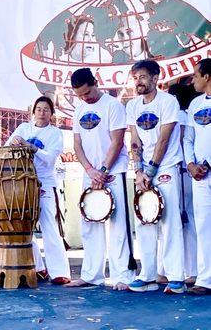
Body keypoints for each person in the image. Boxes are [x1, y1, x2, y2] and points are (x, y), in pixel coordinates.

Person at [65, 68, 135, 291]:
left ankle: (122, 275)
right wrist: (89, 170)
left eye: (87, 92)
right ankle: (91, 274)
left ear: (95, 83)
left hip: (112, 172)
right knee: (89, 223)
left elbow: (117, 142)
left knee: (118, 226)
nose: (85, 98)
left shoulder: (112, 105)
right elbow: (77, 144)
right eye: (80, 95)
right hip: (91, 173)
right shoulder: (79, 110)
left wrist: (103, 170)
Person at [126, 59, 185, 294]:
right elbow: (134, 139)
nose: (138, 82)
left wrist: (151, 169)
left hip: (166, 167)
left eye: (142, 77)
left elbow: (164, 138)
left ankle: (175, 278)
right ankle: (148, 275)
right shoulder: (132, 105)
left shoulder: (168, 102)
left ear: (155, 78)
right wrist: (139, 170)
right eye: (135, 78)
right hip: (143, 171)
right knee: (144, 219)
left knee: (170, 222)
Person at [6, 96, 71, 285]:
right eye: (39, 109)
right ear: (33, 111)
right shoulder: (24, 128)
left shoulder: (55, 133)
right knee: (23, 226)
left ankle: (59, 271)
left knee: (50, 225)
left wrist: (31, 147)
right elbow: (8, 148)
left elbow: (49, 159)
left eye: (46, 110)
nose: (42, 113)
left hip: (44, 182)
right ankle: (39, 267)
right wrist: (16, 143)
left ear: (51, 114)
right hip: (21, 181)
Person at [160, 84, 199, 286]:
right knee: (178, 220)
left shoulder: (182, 116)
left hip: (183, 171)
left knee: (182, 219)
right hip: (182, 170)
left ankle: (190, 269)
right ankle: (173, 269)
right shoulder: (183, 114)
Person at [184, 58, 211, 295]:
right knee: (202, 226)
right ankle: (205, 279)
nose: (192, 80)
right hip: (201, 176)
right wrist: (191, 164)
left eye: (195, 75)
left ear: (207, 77)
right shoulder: (195, 104)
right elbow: (188, 138)